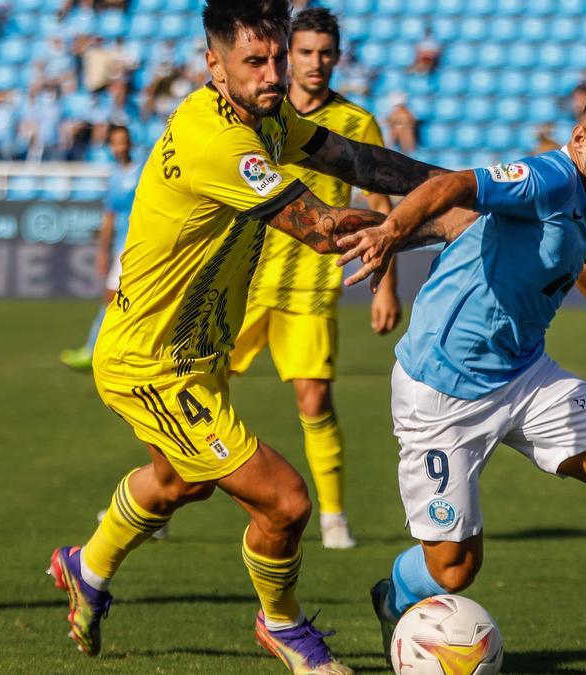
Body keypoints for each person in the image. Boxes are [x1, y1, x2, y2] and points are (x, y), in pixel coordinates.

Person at [46, 1, 468, 672]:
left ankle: (86, 566)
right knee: (284, 499)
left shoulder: (266, 116)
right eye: (255, 61)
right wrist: (448, 223)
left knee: (181, 480)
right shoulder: (217, 139)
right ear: (213, 64)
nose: (273, 73)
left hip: (199, 349)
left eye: (277, 57)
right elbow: (322, 227)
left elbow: (353, 156)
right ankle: (283, 624)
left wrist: (451, 187)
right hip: (150, 363)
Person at [335, 84, 586, 671]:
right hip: (442, 390)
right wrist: (391, 233)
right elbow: (457, 185)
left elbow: (584, 248)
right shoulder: (547, 176)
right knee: (454, 570)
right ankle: (392, 595)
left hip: (523, 373)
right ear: (581, 140)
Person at [229, 7, 400, 551]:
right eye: (305, 52)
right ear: (287, 54)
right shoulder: (254, 112)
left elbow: (381, 203)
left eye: (325, 53)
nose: (316, 63)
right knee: (193, 390)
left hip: (309, 288)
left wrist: (388, 285)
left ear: (337, 56)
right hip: (242, 282)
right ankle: (163, 495)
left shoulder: (355, 122)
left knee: (314, 402)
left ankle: (332, 516)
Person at [60, 125, 142, 371]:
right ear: (110, 147)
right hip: (122, 245)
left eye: (124, 141)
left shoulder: (142, 171)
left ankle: (94, 350)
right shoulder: (115, 177)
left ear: (130, 143)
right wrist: (102, 251)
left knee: (113, 298)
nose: (121, 146)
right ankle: (102, 349)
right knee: (113, 298)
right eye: (116, 142)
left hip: (138, 242)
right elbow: (109, 217)